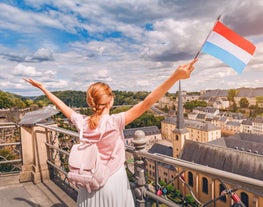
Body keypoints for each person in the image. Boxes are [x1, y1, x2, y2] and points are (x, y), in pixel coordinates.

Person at [24, 58, 198, 207]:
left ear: (90, 102)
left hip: (88, 181)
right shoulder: (115, 122)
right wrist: (175, 77)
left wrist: (43, 89)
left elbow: (62, 107)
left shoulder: (82, 123)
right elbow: (147, 102)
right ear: (111, 100)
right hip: (113, 180)